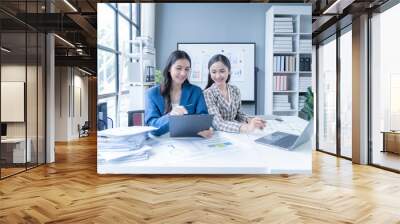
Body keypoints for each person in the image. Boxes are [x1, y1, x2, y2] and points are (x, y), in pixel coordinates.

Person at [145, 50, 213, 137]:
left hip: (189, 141)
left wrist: (207, 129)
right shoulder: (152, 94)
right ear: (169, 68)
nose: (183, 73)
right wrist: (171, 116)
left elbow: (204, 118)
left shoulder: (196, 91)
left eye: (187, 69)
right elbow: (152, 128)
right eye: (179, 68)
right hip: (162, 142)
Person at [203, 54, 266, 133]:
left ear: (229, 71)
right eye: (214, 72)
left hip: (235, 133)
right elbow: (218, 124)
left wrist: (250, 120)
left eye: (222, 71)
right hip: (217, 135)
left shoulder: (235, 90)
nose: (218, 76)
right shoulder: (207, 94)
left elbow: (237, 114)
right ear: (210, 73)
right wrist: (245, 128)